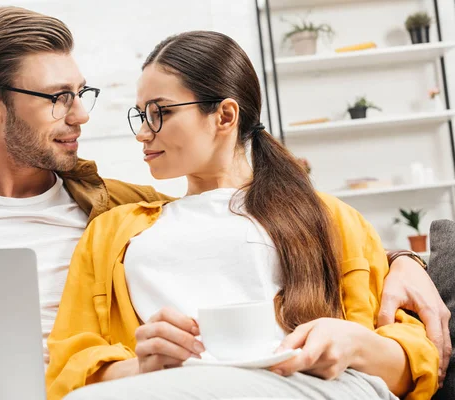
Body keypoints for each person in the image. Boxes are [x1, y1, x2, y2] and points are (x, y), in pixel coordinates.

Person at [0, 7, 449, 380]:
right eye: (57, 98)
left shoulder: (122, 212)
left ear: (224, 114)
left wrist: (407, 262)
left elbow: (246, 220)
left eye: (81, 94)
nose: (81, 115)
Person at [45, 31, 439, 400]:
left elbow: (416, 366)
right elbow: (67, 370)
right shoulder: (113, 232)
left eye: (159, 112)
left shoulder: (330, 219)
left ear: (225, 116)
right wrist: (138, 367)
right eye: (141, 115)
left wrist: (354, 342)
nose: (143, 133)